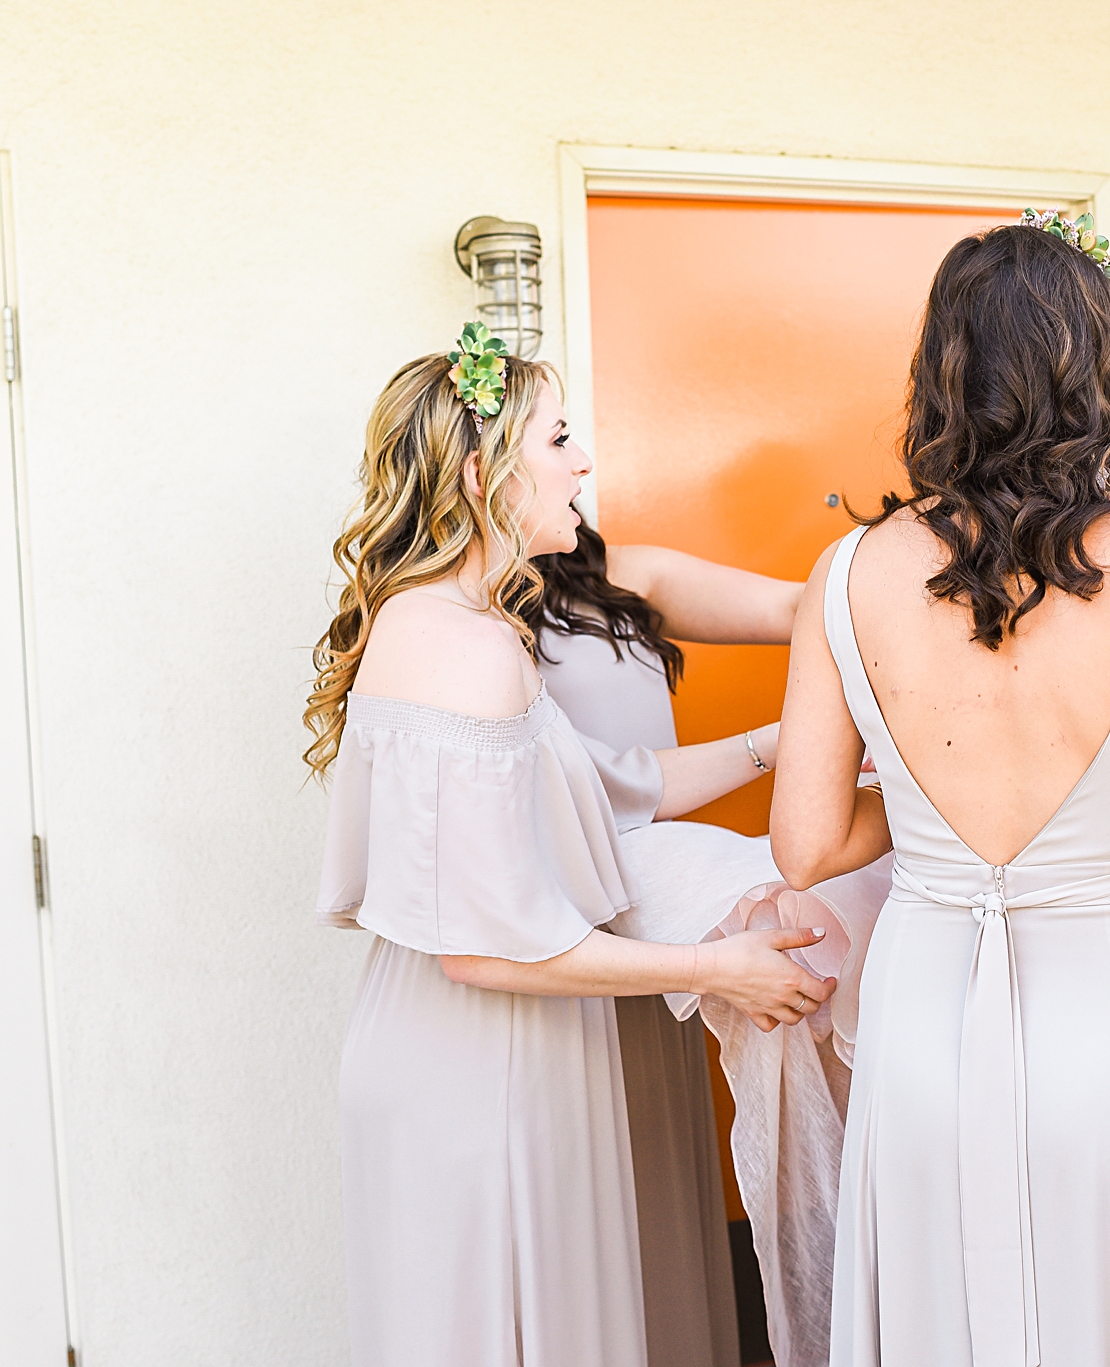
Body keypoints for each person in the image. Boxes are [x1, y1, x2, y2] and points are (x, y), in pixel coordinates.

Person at [771, 219, 1110, 1365]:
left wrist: (922, 807)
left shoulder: (846, 574)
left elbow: (805, 841)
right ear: (1096, 369)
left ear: (940, 377)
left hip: (922, 1020)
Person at [303, 336, 836, 1367]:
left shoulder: (459, 624)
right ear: (480, 474)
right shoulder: (462, 650)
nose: (583, 459)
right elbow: (483, 950)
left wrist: (789, 747)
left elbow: (608, 789)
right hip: (479, 1066)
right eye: (557, 437)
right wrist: (713, 966)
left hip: (508, 1048)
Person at [520, 520, 799, 1367]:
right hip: (554, 937)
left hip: (653, 923)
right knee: (573, 1209)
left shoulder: (617, 573)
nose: (582, 461)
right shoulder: (457, 624)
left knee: (657, 1203)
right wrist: (780, 745)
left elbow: (802, 604)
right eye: (558, 439)